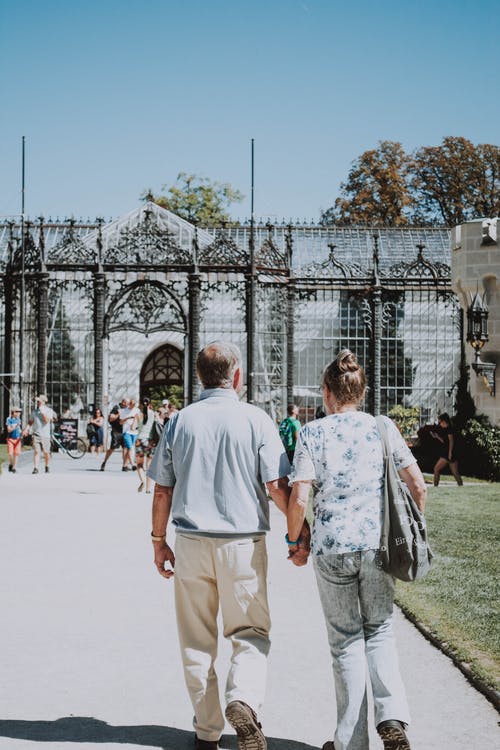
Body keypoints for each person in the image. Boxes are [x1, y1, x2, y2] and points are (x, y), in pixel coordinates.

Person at [148, 341, 307, 750]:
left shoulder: (179, 421)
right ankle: (244, 698)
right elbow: (276, 486)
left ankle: (206, 731)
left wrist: (158, 541)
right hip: (242, 543)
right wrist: (296, 533)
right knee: (250, 631)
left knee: (196, 641)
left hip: (191, 542)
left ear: (199, 376)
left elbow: (162, 490)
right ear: (236, 376)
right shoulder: (256, 419)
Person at [287, 350, 427, 750]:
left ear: (328, 393)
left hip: (332, 547)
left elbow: (299, 499)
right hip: (377, 545)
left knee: (345, 641)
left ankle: (351, 742)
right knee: (380, 629)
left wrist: (294, 539)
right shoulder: (382, 427)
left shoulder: (314, 432)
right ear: (360, 393)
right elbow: (417, 484)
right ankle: (393, 717)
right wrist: (414, 530)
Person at [430, 412, 463, 487]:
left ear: (444, 421)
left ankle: (435, 487)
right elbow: (445, 441)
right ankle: (461, 487)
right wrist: (437, 437)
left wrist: (450, 453)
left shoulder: (449, 429)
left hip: (447, 453)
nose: (439, 424)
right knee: (455, 473)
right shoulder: (447, 429)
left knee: (436, 469)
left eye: (440, 422)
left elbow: (451, 441)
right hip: (449, 453)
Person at [29, 395, 56, 474]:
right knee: (37, 451)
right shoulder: (35, 412)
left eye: (39, 401)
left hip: (45, 436)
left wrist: (43, 412)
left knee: (46, 452)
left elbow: (47, 421)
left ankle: (47, 465)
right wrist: (26, 429)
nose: (38, 403)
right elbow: (30, 421)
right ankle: (35, 468)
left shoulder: (49, 411)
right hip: (36, 434)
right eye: (37, 401)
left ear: (44, 402)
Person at [100, 397, 128, 471]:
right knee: (112, 448)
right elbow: (111, 418)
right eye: (126, 403)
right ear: (123, 402)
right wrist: (119, 414)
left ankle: (124, 466)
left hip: (125, 431)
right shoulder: (116, 408)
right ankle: (104, 462)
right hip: (116, 431)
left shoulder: (128, 409)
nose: (127, 405)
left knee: (126, 448)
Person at [136, 397, 155, 492]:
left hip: (139, 440)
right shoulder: (153, 414)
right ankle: (148, 489)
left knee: (139, 464)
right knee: (149, 465)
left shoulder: (138, 414)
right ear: (150, 403)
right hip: (150, 441)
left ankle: (142, 481)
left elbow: (132, 427)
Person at [120, 397, 140, 471]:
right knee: (130, 447)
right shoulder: (124, 411)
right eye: (131, 404)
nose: (133, 405)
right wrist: (128, 418)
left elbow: (139, 420)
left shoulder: (137, 410)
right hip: (126, 431)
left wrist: (135, 420)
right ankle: (133, 464)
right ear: (129, 404)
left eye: (134, 404)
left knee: (131, 448)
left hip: (134, 432)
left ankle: (125, 465)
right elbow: (121, 422)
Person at [5, 406, 23, 473]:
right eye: (18, 412)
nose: (19, 413)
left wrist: (22, 433)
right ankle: (11, 464)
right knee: (10, 453)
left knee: (16, 454)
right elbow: (9, 430)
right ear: (14, 412)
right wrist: (15, 426)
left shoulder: (18, 419)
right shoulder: (9, 419)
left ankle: (14, 468)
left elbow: (19, 429)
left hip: (17, 439)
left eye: (19, 412)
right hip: (10, 439)